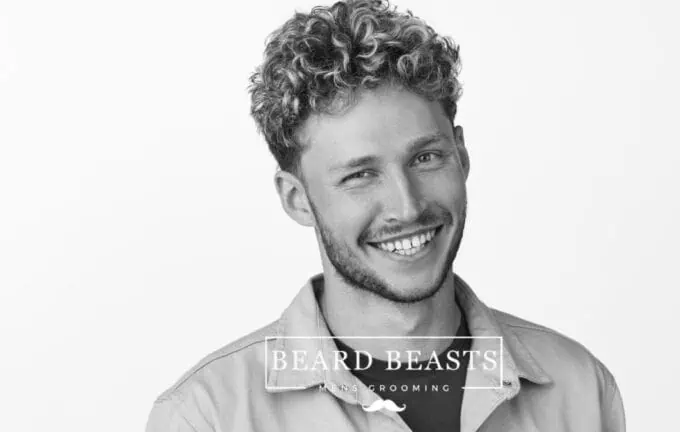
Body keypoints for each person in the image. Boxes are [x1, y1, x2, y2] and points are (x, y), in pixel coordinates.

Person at [145, 0, 626, 430]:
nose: (407, 206)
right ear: (296, 198)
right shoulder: (205, 418)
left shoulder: (578, 389)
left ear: (461, 155)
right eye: (360, 175)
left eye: (426, 158)